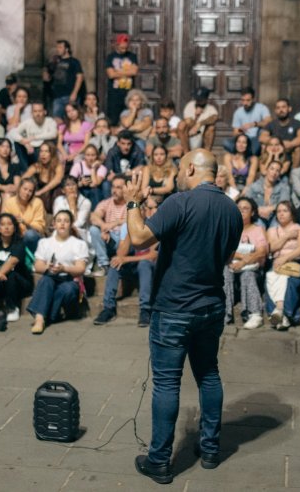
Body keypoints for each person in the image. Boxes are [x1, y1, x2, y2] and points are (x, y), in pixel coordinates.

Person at [124, 149, 243, 484]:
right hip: (211, 305)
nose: (176, 173)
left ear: (191, 167)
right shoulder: (233, 210)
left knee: (166, 382)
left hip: (175, 307)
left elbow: (138, 239)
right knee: (208, 374)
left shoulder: (180, 201)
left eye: (179, 167)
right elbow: (219, 251)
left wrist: (133, 203)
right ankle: (209, 449)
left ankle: (160, 460)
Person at [93, 195, 161, 327]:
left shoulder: (157, 226)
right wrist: (132, 229)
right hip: (132, 266)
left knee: (144, 264)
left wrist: (127, 258)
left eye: (155, 208)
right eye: (149, 208)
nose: (152, 212)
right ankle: (108, 308)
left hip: (150, 268)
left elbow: (153, 255)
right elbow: (120, 254)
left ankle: (145, 310)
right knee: (115, 263)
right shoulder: (127, 226)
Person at [27, 209, 89, 334]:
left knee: (67, 289)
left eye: (66, 221)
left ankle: (45, 315)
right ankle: (40, 319)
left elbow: (80, 268)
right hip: (50, 276)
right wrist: (47, 267)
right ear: (54, 224)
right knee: (46, 280)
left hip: (69, 279)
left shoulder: (78, 244)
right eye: (59, 221)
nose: (62, 224)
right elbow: (38, 265)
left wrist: (64, 268)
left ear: (71, 224)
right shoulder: (45, 242)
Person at [0, 213, 34, 323]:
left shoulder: (19, 243)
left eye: (10, 224)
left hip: (21, 284)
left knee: (11, 274)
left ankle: (12, 308)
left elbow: (12, 262)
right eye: (3, 225)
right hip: (2, 282)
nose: (7, 227)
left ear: (14, 228)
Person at [223, 197, 268, 329]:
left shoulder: (258, 230)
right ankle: (224, 314)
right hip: (230, 266)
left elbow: (261, 252)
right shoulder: (229, 229)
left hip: (252, 269)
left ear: (252, 212)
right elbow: (223, 249)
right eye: (238, 208)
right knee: (224, 272)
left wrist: (242, 262)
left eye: (245, 208)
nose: (241, 211)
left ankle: (255, 314)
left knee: (247, 274)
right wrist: (237, 257)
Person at [265, 201, 300, 330]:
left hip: (295, 264)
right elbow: (271, 247)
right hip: (276, 264)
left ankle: (280, 313)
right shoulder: (272, 230)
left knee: (289, 280)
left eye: (285, 211)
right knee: (270, 277)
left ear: (292, 213)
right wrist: (287, 236)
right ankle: (284, 317)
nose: (281, 214)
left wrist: (285, 258)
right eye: (278, 211)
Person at [88, 175, 128, 275]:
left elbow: (134, 219)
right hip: (110, 239)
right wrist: (103, 226)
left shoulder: (131, 203)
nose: (114, 190)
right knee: (94, 229)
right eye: (113, 187)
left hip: (126, 241)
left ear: (126, 189)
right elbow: (94, 216)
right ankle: (104, 265)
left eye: (118, 187)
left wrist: (115, 223)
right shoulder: (107, 202)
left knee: (125, 227)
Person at [43, 39, 84, 122]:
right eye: (57, 47)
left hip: (69, 94)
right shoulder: (55, 61)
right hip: (56, 96)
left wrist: (74, 93)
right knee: (56, 119)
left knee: (73, 117)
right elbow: (47, 75)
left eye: (60, 47)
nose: (58, 49)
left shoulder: (74, 62)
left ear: (66, 49)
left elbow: (79, 77)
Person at [52, 176, 93, 257]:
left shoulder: (86, 202)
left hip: (81, 234)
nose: (71, 187)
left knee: (71, 230)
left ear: (77, 186)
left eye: (73, 184)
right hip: (62, 230)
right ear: (63, 190)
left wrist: (72, 205)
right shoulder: (58, 200)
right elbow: (58, 220)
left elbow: (78, 224)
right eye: (68, 185)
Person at [2, 177, 46, 252]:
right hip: (14, 236)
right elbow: (4, 222)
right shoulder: (10, 202)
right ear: (19, 188)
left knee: (30, 235)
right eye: (25, 189)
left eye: (30, 191)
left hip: (32, 238)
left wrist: (25, 223)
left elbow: (39, 228)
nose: (27, 193)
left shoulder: (38, 202)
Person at [259, 98, 300, 169]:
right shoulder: (271, 124)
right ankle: (264, 171)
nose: (281, 110)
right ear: (275, 110)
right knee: (263, 146)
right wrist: (278, 143)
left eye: (283, 107)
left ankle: (294, 173)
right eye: (278, 108)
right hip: (275, 150)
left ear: (289, 109)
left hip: (290, 150)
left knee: (298, 148)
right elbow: (262, 138)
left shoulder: (297, 123)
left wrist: (291, 144)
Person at [11, 101, 58, 170]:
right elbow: (13, 132)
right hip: (30, 148)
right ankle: (25, 171)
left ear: (45, 112)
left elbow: (53, 134)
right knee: (17, 143)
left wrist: (34, 138)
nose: (37, 114)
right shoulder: (28, 122)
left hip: (42, 149)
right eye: (35, 111)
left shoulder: (49, 121)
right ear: (31, 113)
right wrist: (25, 143)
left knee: (49, 144)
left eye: (40, 111)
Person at [224, 87, 271, 156]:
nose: (245, 103)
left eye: (248, 100)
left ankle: (246, 155)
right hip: (243, 139)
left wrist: (255, 124)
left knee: (256, 147)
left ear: (253, 99)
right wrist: (240, 130)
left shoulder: (261, 108)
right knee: (226, 142)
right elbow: (234, 133)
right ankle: (246, 154)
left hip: (256, 138)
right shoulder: (238, 112)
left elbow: (269, 121)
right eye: (243, 100)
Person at [105, 33, 139, 126]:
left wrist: (117, 72)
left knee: (129, 117)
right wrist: (127, 71)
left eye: (126, 47)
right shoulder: (110, 57)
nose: (124, 49)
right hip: (115, 93)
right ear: (117, 45)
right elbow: (111, 75)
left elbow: (134, 72)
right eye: (122, 47)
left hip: (128, 93)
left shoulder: (132, 56)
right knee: (113, 120)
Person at [22, 140, 63, 213]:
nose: (43, 154)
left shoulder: (58, 166)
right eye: (41, 151)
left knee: (58, 191)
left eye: (46, 151)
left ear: (52, 154)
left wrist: (40, 192)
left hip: (54, 198)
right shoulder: (36, 166)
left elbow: (57, 180)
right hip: (40, 200)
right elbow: (23, 180)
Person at [246, 160, 291, 226]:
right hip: (258, 215)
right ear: (267, 170)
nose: (274, 173)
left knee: (276, 226)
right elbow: (247, 202)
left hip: (275, 216)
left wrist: (269, 209)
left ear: (279, 174)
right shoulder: (254, 186)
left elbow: (285, 203)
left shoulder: (284, 187)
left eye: (277, 170)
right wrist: (258, 210)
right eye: (272, 169)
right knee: (259, 225)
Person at [179, 87, 219, 152]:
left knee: (211, 127)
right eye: (197, 98)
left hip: (202, 135)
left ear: (206, 99)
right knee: (182, 124)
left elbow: (214, 118)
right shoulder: (190, 105)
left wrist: (200, 123)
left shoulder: (210, 108)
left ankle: (207, 152)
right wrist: (196, 116)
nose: (198, 100)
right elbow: (187, 122)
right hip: (190, 134)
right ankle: (186, 153)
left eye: (200, 99)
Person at [70, 144, 109, 208]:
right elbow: (70, 182)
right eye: (88, 155)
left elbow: (95, 184)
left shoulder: (101, 168)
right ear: (84, 156)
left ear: (97, 156)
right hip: (81, 191)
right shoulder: (78, 166)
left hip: (96, 193)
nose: (90, 158)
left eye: (93, 155)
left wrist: (93, 169)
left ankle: (95, 213)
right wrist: (80, 183)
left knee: (95, 190)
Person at [56, 102, 93, 168]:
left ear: (78, 110)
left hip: (81, 150)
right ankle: (59, 177)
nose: (71, 113)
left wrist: (74, 154)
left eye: (73, 110)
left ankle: (75, 177)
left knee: (77, 160)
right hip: (66, 149)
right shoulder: (63, 127)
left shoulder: (86, 125)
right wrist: (64, 154)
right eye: (68, 111)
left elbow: (86, 143)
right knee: (60, 158)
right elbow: (59, 144)